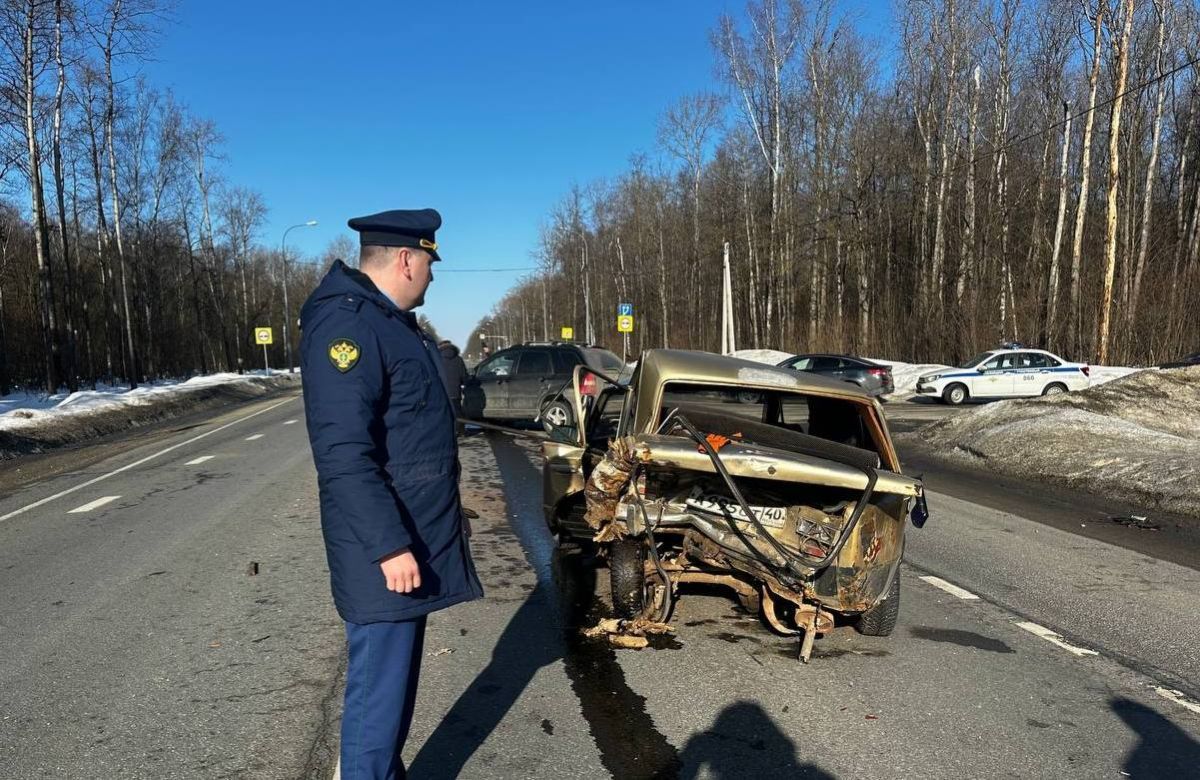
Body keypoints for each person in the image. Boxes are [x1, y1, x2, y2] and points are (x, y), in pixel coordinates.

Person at [299, 208, 483, 779]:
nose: (432, 274)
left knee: (393, 696)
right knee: (376, 705)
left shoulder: (388, 322)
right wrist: (388, 546)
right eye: (429, 261)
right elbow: (344, 456)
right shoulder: (350, 327)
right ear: (405, 259)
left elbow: (410, 441)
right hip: (387, 551)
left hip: (413, 536)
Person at [437, 339, 468, 435]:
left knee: (443, 413)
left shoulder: (437, 359)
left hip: (441, 391)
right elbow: (464, 376)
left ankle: (445, 431)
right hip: (455, 391)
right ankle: (460, 430)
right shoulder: (458, 359)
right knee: (457, 411)